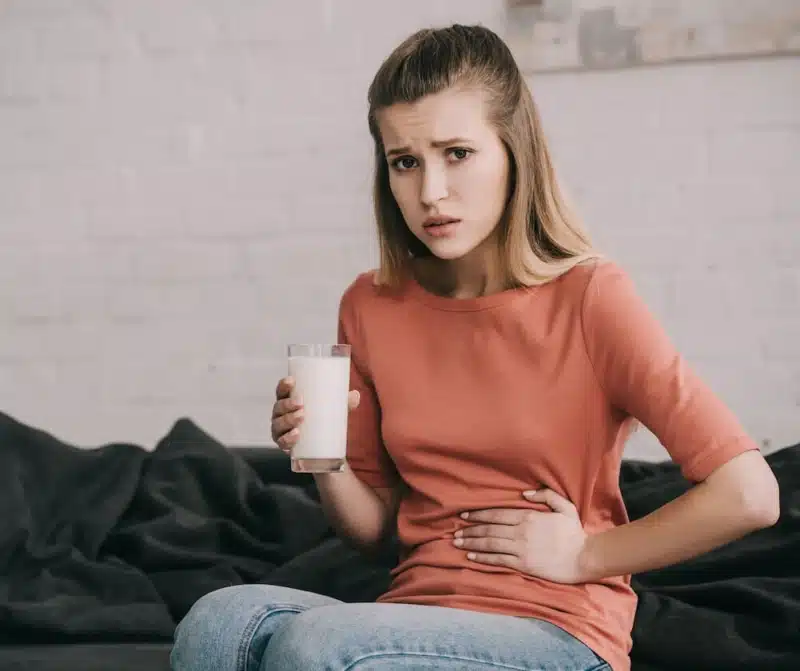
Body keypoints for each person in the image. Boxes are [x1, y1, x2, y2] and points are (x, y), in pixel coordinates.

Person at [170, 24, 780, 671]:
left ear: (512, 150)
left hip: (558, 629)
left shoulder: (590, 296)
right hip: (415, 612)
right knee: (219, 620)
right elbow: (377, 533)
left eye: (456, 153)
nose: (430, 191)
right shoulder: (371, 305)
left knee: (315, 645)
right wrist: (323, 458)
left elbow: (749, 492)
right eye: (405, 161)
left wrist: (586, 555)